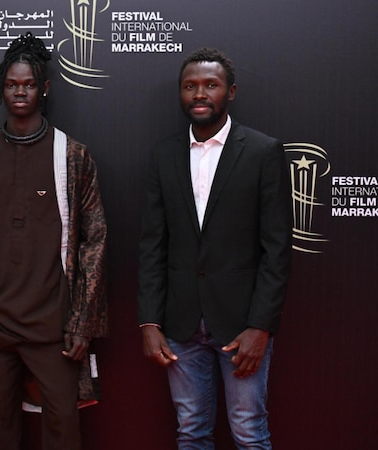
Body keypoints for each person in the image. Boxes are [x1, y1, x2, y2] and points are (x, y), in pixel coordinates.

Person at [0, 32, 108, 450]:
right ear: (1, 88)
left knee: (62, 432)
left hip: (53, 327)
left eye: (28, 84)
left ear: (44, 88)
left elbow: (93, 241)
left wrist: (82, 321)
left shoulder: (73, 156)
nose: (19, 91)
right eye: (11, 84)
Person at [138, 47, 292, 449]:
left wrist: (261, 327)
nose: (200, 93)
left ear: (231, 91)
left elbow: (277, 250)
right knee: (191, 432)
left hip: (242, 326)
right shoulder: (163, 154)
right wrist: (150, 322)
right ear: (181, 94)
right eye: (190, 86)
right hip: (180, 326)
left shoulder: (262, 152)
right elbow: (153, 245)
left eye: (211, 85)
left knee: (249, 431)